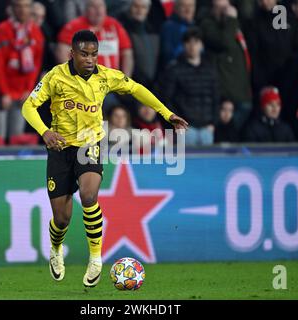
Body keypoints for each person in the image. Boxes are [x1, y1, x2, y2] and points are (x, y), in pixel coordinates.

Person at [21, 30, 188, 287]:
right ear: (72, 54)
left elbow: (136, 89)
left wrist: (167, 114)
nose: (90, 59)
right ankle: (56, 249)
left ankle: (96, 258)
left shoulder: (105, 76)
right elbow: (28, 106)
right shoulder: (55, 77)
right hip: (60, 147)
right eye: (84, 54)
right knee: (62, 218)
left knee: (89, 196)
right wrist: (45, 131)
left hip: (89, 143)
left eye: (94, 54)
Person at [0, 0, 44, 142]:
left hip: (22, 94)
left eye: (26, 6)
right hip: (0, 94)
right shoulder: (1, 30)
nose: (22, 10)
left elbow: (36, 65)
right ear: (12, 8)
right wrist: (4, 92)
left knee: (16, 138)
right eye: (19, 6)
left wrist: (29, 90)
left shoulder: (36, 32)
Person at [159, 27, 219, 147]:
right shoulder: (174, 69)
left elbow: (216, 97)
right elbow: (167, 98)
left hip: (207, 129)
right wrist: (178, 122)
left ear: (201, 45)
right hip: (186, 129)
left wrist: (213, 123)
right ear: (183, 45)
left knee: (208, 165)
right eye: (188, 42)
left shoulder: (210, 69)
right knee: (188, 164)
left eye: (196, 42)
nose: (192, 46)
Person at [200, 0, 253, 131]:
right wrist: (231, 19)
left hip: (242, 89)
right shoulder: (207, 24)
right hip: (227, 92)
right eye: (222, 9)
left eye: (227, 7)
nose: (226, 11)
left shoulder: (236, 24)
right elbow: (225, 42)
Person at [56, 0, 133, 76]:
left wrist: (125, 79)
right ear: (86, 9)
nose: (98, 11)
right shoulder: (74, 26)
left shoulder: (114, 25)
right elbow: (62, 52)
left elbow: (126, 53)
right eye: (93, 7)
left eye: (101, 6)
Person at [120, 0, 160, 89]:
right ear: (130, 8)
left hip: (153, 86)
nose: (139, 10)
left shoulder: (154, 31)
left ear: (148, 9)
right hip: (132, 85)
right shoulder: (123, 29)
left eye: (143, 7)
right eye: (136, 6)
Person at [160, 0, 196, 67]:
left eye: (191, 6)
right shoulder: (168, 27)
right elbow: (168, 54)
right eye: (184, 6)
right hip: (178, 71)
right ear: (176, 8)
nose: (188, 10)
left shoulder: (196, 26)